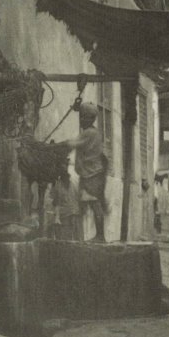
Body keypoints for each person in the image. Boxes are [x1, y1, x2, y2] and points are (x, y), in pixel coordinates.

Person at [62, 102, 107, 243]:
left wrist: (56, 147)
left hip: (91, 175)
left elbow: (72, 144)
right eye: (80, 117)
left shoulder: (88, 133)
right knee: (87, 204)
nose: (81, 120)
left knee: (94, 204)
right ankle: (88, 235)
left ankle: (100, 235)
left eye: (83, 117)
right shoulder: (94, 132)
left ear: (90, 119)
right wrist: (77, 107)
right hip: (91, 174)